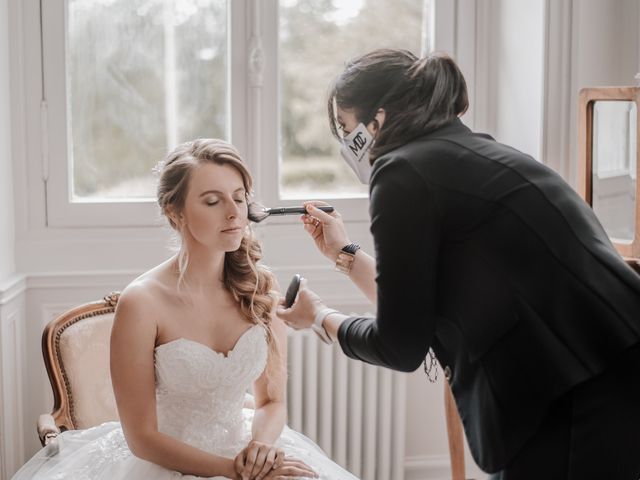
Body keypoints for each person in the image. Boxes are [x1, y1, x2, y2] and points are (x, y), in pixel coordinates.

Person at [278, 49, 640, 480]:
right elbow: (421, 304)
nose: (344, 144)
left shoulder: (400, 174)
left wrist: (320, 317)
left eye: (345, 127)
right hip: (611, 373)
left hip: (574, 396)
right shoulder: (463, 153)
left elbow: (400, 345)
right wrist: (344, 254)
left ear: (375, 122)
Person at [13, 139, 360, 480]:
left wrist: (260, 450)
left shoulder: (259, 290)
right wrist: (233, 472)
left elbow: (271, 402)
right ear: (174, 212)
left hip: (245, 453)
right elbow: (142, 438)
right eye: (212, 201)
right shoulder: (142, 303)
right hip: (164, 462)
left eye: (239, 198)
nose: (233, 212)